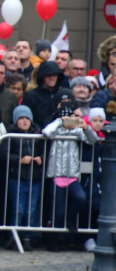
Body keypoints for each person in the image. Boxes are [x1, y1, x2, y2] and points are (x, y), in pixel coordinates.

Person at [42, 101, 97, 240]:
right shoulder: (56, 129)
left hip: (72, 175)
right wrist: (60, 121)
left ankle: (71, 217)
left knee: (81, 198)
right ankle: (55, 240)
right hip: (56, 174)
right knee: (58, 212)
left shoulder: (77, 131)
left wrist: (86, 128)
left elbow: (93, 140)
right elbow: (46, 132)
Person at [0, 105, 44, 233]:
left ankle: (27, 238)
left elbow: (44, 151)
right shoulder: (10, 135)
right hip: (17, 178)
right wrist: (19, 160)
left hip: (34, 178)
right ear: (15, 120)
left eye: (27, 118)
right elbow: (3, 155)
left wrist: (41, 158)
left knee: (31, 210)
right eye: (21, 118)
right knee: (18, 210)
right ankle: (14, 237)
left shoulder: (38, 134)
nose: (24, 121)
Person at [23, 60, 64, 129]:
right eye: (48, 75)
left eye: (54, 75)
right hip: (38, 136)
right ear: (42, 76)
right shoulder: (30, 96)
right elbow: (26, 118)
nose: (52, 78)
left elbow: (73, 120)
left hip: (62, 135)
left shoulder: (64, 95)